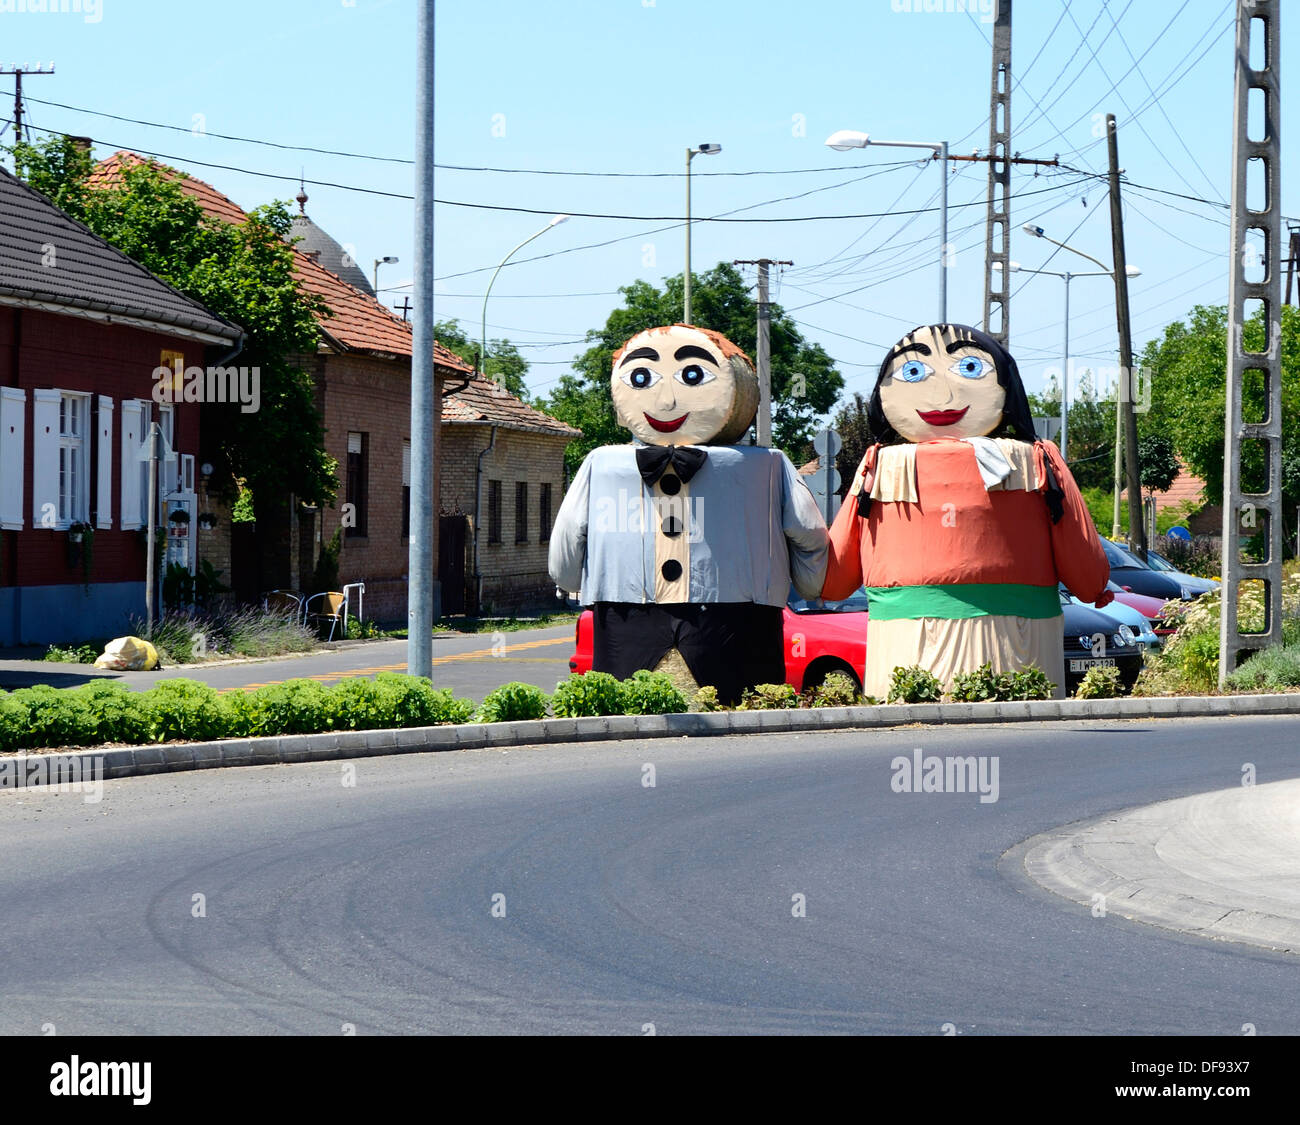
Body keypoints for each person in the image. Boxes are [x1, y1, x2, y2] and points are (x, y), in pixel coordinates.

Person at [822, 322, 1110, 699]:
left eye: (970, 368)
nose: (942, 393)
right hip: (1019, 646)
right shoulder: (1035, 460)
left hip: (903, 648)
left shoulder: (879, 465)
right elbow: (1087, 574)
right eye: (914, 372)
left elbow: (834, 580)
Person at [549, 323, 828, 703]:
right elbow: (808, 530)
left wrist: (568, 579)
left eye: (692, 375)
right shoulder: (767, 466)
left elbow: (567, 537)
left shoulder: (601, 464)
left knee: (632, 710)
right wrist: (811, 584)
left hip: (627, 615)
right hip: (736, 620)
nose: (665, 401)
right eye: (644, 378)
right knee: (739, 709)